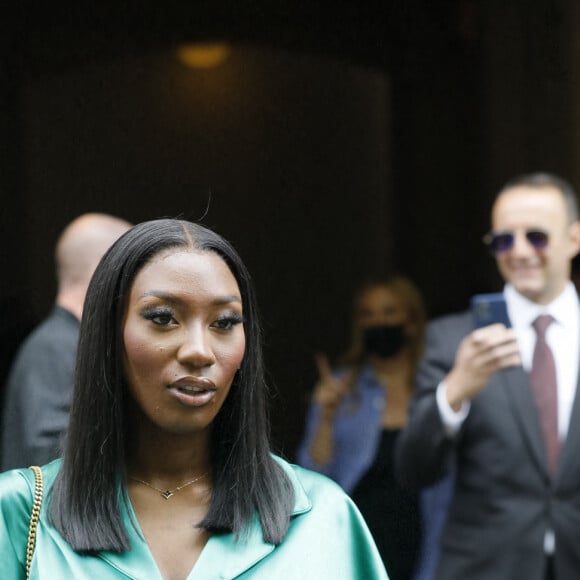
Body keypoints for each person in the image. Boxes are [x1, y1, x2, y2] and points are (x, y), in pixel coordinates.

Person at [0, 218, 388, 579]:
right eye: (163, 317)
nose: (199, 351)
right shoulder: (18, 515)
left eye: (224, 322)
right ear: (109, 336)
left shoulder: (323, 517)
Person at [395, 172, 580, 580]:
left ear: (574, 239)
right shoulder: (453, 339)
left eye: (536, 236)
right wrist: (454, 393)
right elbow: (413, 470)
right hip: (486, 566)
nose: (518, 251)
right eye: (502, 239)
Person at [297, 276, 435, 580]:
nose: (378, 323)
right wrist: (326, 417)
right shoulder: (340, 388)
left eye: (389, 313)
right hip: (359, 541)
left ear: (411, 321)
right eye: (368, 315)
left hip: (427, 543)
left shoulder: (437, 387)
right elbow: (311, 480)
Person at [1, 213, 132, 471]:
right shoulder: (52, 347)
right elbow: (45, 454)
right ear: (106, 273)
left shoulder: (68, 344)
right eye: (131, 274)